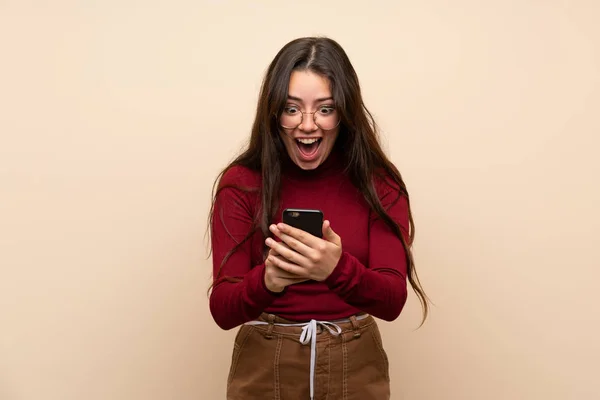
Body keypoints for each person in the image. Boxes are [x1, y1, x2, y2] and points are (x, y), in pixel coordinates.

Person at [207, 36, 429, 400]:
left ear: (344, 112)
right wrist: (268, 279)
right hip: (264, 363)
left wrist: (336, 268)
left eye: (324, 109)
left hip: (355, 362)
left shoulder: (379, 183)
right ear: (273, 112)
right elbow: (223, 309)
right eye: (292, 109)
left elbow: (392, 300)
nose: (307, 125)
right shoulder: (241, 183)